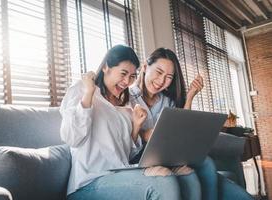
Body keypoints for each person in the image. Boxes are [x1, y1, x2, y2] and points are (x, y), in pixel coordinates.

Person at [60, 45, 196, 200]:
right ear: (106, 67)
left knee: (188, 177)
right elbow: (72, 138)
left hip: (121, 173)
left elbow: (128, 154)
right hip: (88, 181)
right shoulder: (82, 90)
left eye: (132, 76)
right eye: (123, 73)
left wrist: (136, 126)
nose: (127, 81)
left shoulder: (125, 105)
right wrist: (88, 95)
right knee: (163, 183)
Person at [129, 47, 254, 200]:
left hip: (167, 155)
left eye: (169, 77)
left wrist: (189, 97)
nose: (162, 81)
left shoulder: (166, 101)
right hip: (140, 158)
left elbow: (182, 127)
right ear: (145, 67)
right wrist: (143, 133)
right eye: (159, 72)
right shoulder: (128, 96)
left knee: (207, 163)